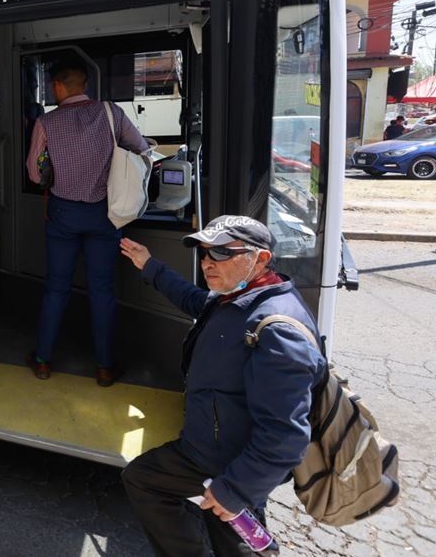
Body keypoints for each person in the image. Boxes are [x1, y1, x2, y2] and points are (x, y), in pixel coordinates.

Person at [117, 215, 325, 557]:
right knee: (221, 523)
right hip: (214, 449)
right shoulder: (235, 298)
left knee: (148, 481)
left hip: (225, 460)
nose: (207, 263)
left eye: (222, 254)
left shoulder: (278, 330)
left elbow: (285, 436)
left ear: (260, 259)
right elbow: (191, 298)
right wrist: (149, 264)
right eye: (204, 253)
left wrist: (236, 488)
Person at [23, 60, 148, 386]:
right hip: (104, 215)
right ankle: (105, 368)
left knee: (56, 289)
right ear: (84, 85)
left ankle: (43, 361)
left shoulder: (45, 123)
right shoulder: (111, 113)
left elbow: (35, 174)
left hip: (63, 214)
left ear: (60, 87)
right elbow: (142, 149)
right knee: (102, 291)